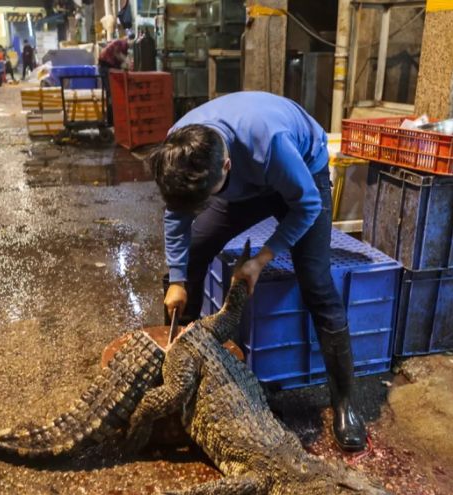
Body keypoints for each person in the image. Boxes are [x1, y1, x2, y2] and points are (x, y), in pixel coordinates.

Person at [149, 92, 367, 453]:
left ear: (225, 169)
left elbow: (307, 206)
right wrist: (176, 279)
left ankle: (344, 401)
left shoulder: (271, 143)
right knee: (193, 254)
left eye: (204, 199)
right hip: (243, 185)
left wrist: (262, 259)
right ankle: (179, 379)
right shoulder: (180, 150)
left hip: (301, 179)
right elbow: (177, 213)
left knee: (315, 281)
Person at [97, 37, 132, 125]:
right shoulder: (122, 43)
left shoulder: (124, 46)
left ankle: (113, 118)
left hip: (108, 66)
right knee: (111, 93)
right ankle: (111, 119)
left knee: (112, 92)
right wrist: (126, 62)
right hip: (106, 66)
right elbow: (117, 54)